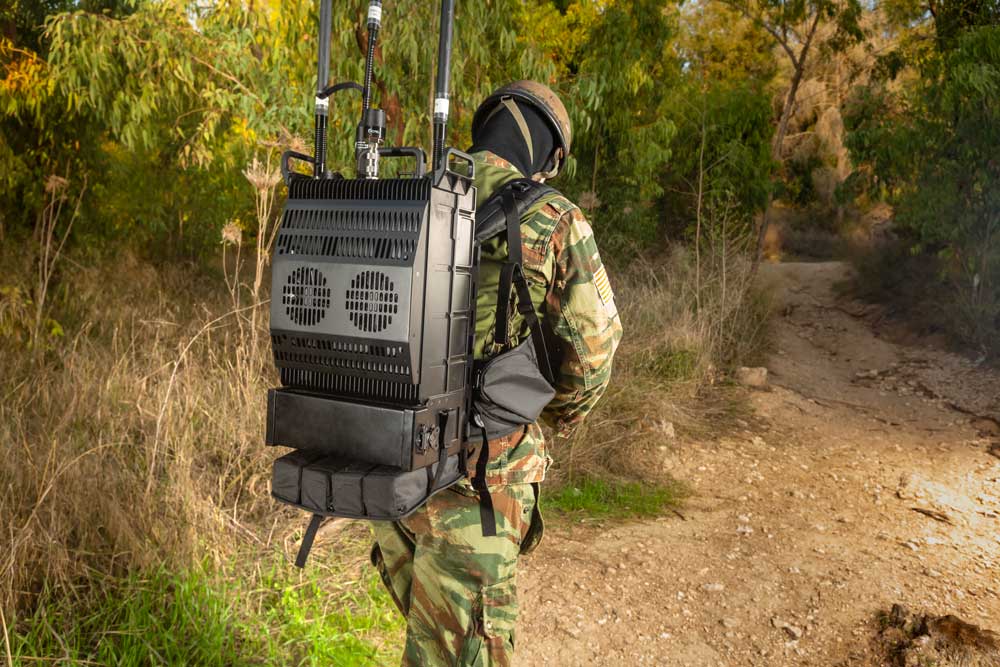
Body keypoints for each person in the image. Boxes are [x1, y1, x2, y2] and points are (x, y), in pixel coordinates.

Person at [371, 80, 623, 667]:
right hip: (481, 482)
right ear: (550, 156)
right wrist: (551, 416)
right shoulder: (555, 218)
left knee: (431, 642)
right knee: (463, 654)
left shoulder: (414, 194)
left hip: (390, 474)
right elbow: (593, 351)